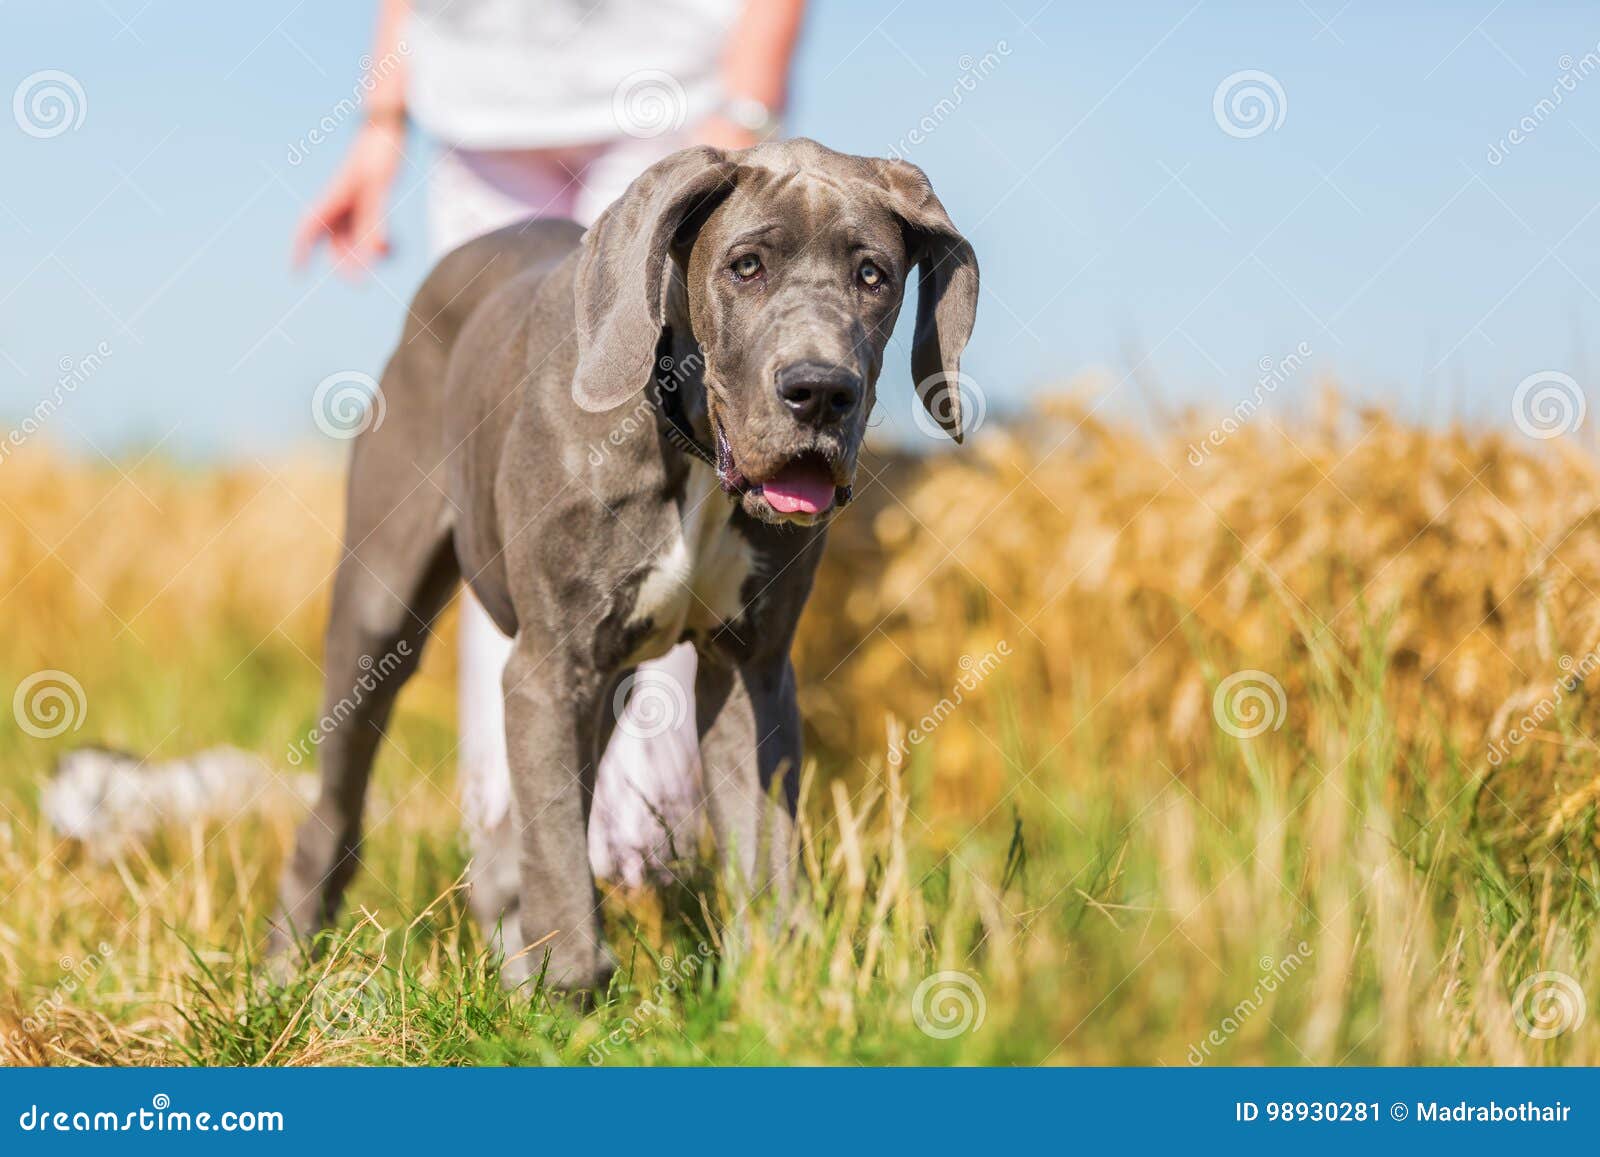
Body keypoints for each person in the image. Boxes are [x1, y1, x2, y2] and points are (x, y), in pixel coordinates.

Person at [290, 0, 808, 916]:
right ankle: (522, 883)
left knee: (679, 487)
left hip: (674, 99)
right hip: (481, 106)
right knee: (525, 530)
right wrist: (382, 119)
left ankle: (634, 867)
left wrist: (747, 107)